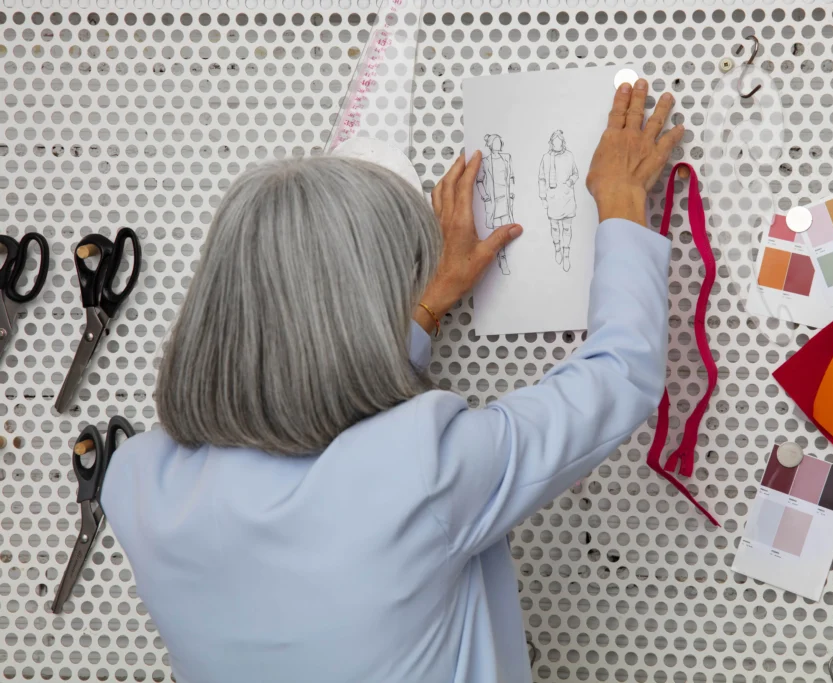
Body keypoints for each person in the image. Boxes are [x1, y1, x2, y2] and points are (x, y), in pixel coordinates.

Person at [100, 78, 684, 683]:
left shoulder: (140, 483)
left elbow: (312, 398)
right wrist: (620, 204)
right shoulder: (424, 468)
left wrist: (425, 309)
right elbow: (620, 374)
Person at [538, 129, 580, 272]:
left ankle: (566, 253)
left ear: (563, 142)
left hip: (567, 198)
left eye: (560, 141)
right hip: (553, 198)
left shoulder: (569, 156)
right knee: (555, 227)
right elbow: (541, 178)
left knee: (567, 227)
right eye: (555, 141)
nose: (557, 144)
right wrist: (543, 197)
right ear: (551, 143)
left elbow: (576, 174)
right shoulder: (546, 157)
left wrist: (570, 182)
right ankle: (557, 248)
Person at [476, 133, 515, 274]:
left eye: (499, 141)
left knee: (507, 228)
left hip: (506, 200)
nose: (498, 144)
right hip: (494, 202)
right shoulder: (485, 161)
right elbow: (479, 181)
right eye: (495, 142)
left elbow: (511, 177)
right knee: (499, 231)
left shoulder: (507, 158)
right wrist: (484, 195)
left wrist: (512, 192)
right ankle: (502, 259)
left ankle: (505, 258)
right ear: (490, 145)